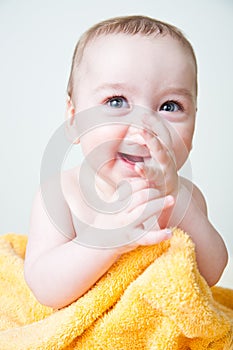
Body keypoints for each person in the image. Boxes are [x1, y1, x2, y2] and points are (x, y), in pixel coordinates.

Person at [24, 15, 228, 309]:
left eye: (170, 106)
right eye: (116, 101)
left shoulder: (186, 198)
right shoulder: (60, 195)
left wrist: (175, 199)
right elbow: (44, 288)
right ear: (74, 119)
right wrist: (105, 240)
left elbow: (212, 272)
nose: (146, 126)